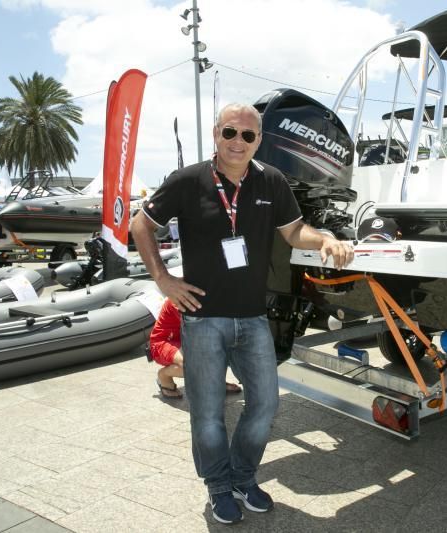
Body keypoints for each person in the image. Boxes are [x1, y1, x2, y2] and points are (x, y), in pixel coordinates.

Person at [130, 102, 354, 525]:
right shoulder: (186, 181)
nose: (238, 142)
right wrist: (162, 278)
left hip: (253, 318)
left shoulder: (272, 180)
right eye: (230, 132)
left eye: (248, 136)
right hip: (203, 318)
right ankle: (218, 486)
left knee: (266, 404)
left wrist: (323, 238)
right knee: (208, 412)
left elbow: (293, 232)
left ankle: (243, 476)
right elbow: (141, 225)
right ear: (216, 134)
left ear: (259, 141)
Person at [150, 298, 242, 399]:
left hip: (183, 339)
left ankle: (217, 382)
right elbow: (199, 328)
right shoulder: (179, 298)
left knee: (216, 349)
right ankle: (163, 375)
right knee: (192, 364)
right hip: (163, 342)